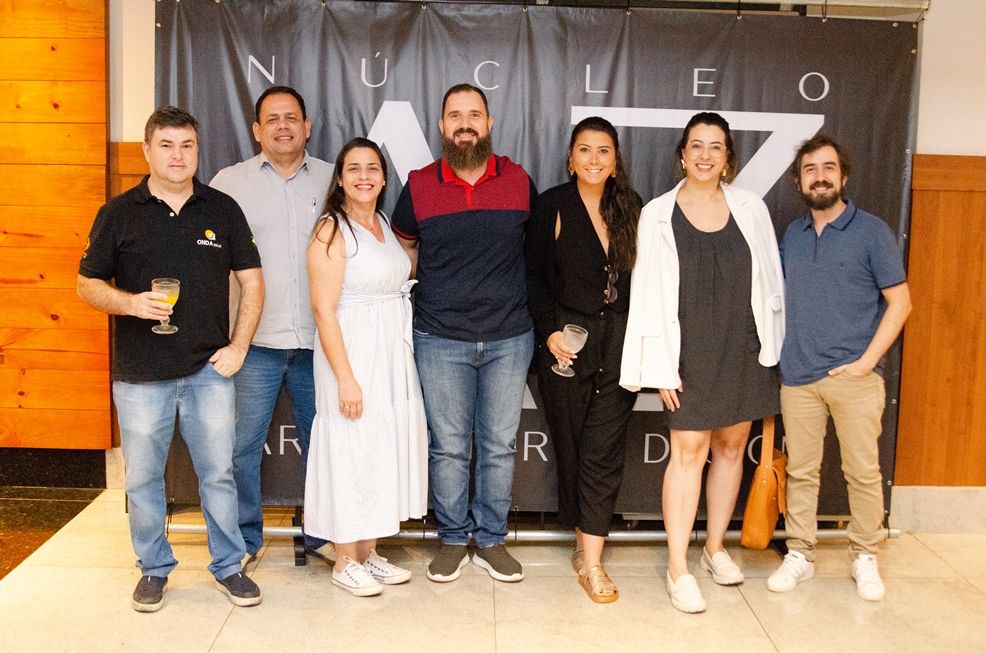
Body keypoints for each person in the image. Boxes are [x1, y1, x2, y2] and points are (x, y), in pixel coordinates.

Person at [77, 106, 264, 612]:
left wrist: (240, 346)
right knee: (141, 477)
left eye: (187, 146)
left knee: (218, 473)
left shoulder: (222, 208)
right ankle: (154, 569)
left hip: (208, 369)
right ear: (147, 151)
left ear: (198, 151)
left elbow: (252, 282)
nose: (178, 156)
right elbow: (87, 284)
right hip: (139, 375)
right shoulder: (118, 212)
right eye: (167, 145)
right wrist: (131, 303)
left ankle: (228, 565)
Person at [620, 112, 785, 613]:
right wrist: (660, 366)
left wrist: (770, 347)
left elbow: (771, 280)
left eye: (716, 146)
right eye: (697, 145)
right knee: (689, 452)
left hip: (743, 347)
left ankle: (714, 549)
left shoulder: (751, 208)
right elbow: (645, 294)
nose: (706, 154)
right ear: (682, 155)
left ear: (728, 157)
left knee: (733, 447)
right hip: (686, 350)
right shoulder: (656, 214)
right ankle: (678, 567)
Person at [392, 83, 536, 583]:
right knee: (450, 445)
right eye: (456, 115)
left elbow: (537, 254)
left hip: (509, 337)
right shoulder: (418, 184)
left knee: (498, 444)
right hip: (440, 337)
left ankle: (491, 540)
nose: (465, 123)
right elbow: (403, 252)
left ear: (490, 124)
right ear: (442, 126)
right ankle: (454, 538)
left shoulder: (518, 179)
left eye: (475, 114)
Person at [767, 135, 911, 602]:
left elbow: (901, 302)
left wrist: (867, 362)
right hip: (800, 376)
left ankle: (865, 554)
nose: (820, 176)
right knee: (803, 472)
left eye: (828, 168)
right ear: (799, 180)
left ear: (843, 177)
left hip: (854, 378)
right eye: (810, 169)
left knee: (862, 472)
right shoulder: (792, 234)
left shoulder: (872, 231)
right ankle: (800, 554)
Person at [210, 86, 335, 566]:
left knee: (324, 447)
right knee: (241, 449)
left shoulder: (333, 178)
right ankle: (244, 540)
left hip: (320, 343)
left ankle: (323, 535)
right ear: (257, 130)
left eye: (292, 118)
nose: (283, 126)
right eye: (272, 119)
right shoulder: (228, 183)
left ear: (307, 126)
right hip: (253, 344)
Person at [304, 137, 428, 596]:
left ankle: (367, 552)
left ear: (382, 176)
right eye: (353, 168)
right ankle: (342, 560)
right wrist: (346, 378)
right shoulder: (330, 230)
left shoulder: (380, 223)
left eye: (372, 168)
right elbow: (323, 310)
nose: (363, 176)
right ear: (339, 177)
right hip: (351, 352)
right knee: (351, 448)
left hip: (390, 353)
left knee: (380, 448)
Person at [526, 116, 641, 603]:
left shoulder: (631, 208)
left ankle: (592, 564)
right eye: (585, 150)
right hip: (565, 346)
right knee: (572, 447)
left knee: (603, 450)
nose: (594, 160)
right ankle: (582, 539)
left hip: (621, 343)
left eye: (604, 152)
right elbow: (533, 280)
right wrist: (550, 331)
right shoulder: (551, 205)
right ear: (570, 158)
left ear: (615, 161)